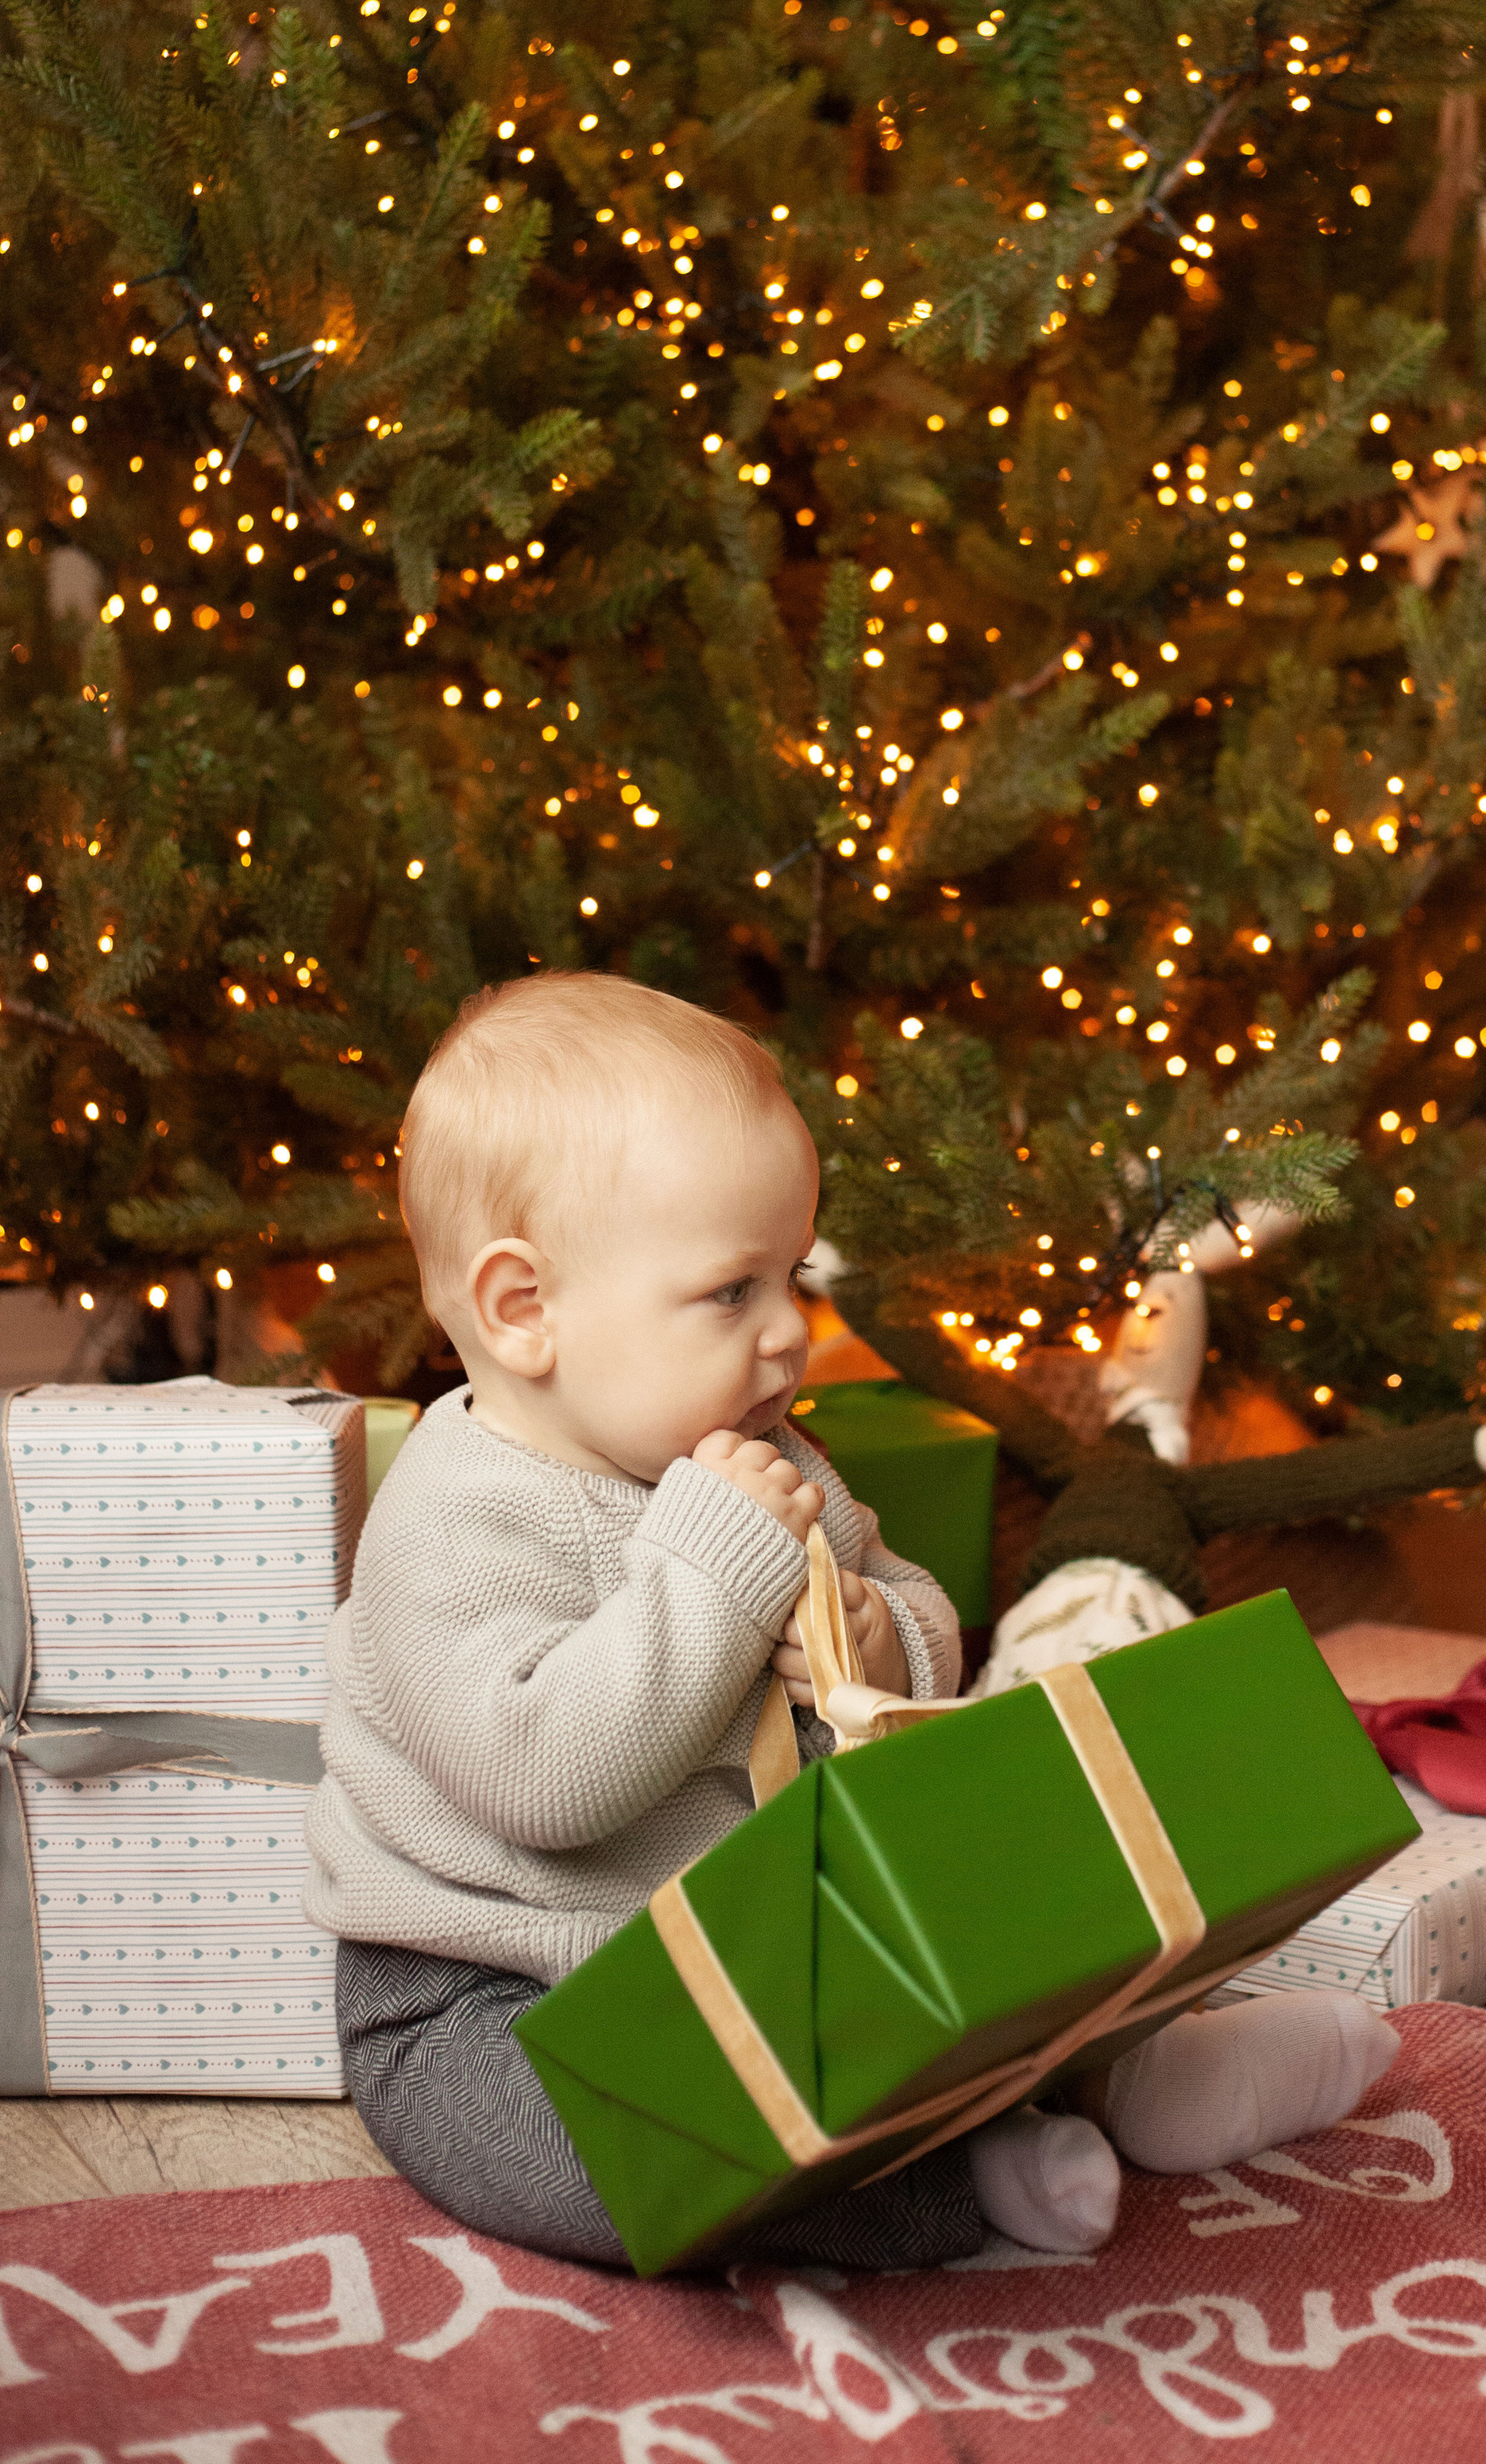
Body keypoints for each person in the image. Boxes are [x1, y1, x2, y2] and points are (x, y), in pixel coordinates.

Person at [307, 971, 1398, 2270]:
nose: (789, 1337)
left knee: (988, 1920)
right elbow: (546, 1781)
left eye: (791, 1279)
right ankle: (950, 2188)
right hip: (503, 1988)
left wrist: (887, 1641)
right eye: (732, 1292)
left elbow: (924, 1611)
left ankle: (1131, 2069)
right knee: (603, 2163)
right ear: (523, 1310)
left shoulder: (767, 1451)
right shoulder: (454, 1518)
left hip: (761, 1940)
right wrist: (708, 1578)